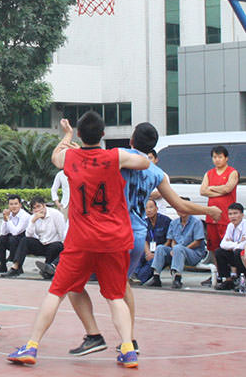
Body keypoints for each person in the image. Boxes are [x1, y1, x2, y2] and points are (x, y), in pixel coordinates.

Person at [44, 123, 222, 358]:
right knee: (122, 286)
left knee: (77, 286)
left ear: (130, 141)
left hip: (110, 232)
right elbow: (180, 205)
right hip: (138, 235)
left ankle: (97, 335)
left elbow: (91, 163)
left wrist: (78, 150)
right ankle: (129, 340)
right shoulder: (157, 173)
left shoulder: (117, 158)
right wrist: (208, 211)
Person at [7, 113, 150, 368]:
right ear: (103, 135)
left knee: (56, 292)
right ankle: (128, 349)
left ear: (81, 135)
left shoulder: (70, 157)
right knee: (116, 296)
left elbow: (55, 157)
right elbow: (144, 163)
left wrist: (67, 135)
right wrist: (126, 153)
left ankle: (32, 345)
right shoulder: (114, 157)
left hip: (82, 239)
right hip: (113, 239)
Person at [200, 146, 239, 286]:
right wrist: (219, 190)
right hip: (211, 217)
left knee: (229, 246)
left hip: (226, 217)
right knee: (214, 247)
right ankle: (219, 274)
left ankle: (233, 275)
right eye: (215, 157)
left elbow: (228, 188)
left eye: (220, 157)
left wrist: (211, 188)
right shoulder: (209, 173)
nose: (217, 160)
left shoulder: (232, 172)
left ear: (226, 158)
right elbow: (202, 191)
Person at [1, 196, 65, 277]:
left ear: (44, 206)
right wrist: (33, 221)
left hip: (54, 244)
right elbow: (28, 235)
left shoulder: (56, 214)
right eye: (34, 208)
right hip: (42, 243)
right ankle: (15, 268)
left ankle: (48, 269)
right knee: (25, 240)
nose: (37, 210)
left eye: (39, 206)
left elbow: (62, 234)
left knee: (55, 246)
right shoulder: (33, 217)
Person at [146, 202, 206, 289]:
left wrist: (181, 249)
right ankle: (156, 277)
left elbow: (198, 241)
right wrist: (174, 248)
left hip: (193, 253)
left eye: (184, 208)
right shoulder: (174, 223)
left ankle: (177, 278)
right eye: (179, 208)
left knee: (178, 248)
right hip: (177, 252)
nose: (182, 211)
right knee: (160, 248)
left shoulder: (196, 222)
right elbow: (172, 240)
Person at [131, 199, 171, 284]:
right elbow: (144, 239)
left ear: (156, 208)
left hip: (162, 252)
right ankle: (133, 275)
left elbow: (169, 240)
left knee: (152, 261)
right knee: (138, 253)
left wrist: (157, 253)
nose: (149, 210)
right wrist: (148, 252)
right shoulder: (144, 222)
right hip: (149, 250)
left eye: (151, 207)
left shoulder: (166, 221)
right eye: (146, 208)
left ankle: (140, 279)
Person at [0, 194, 31, 273]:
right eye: (11, 204)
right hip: (13, 237)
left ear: (20, 205)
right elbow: (3, 232)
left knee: (13, 239)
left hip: (23, 240)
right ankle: (2, 265)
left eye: (16, 204)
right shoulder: (9, 214)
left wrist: (8, 219)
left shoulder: (25, 216)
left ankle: (17, 266)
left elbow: (15, 232)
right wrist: (5, 219)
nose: (14, 206)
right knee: (1, 238)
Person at [214, 202, 246, 290]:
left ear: (242, 214)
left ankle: (242, 279)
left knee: (238, 252)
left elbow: (243, 246)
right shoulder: (230, 226)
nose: (232, 216)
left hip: (243, 256)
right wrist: (237, 243)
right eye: (230, 214)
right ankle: (228, 280)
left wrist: (231, 244)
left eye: (235, 213)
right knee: (219, 252)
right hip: (235, 253)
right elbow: (223, 244)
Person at [147, 149, 170, 215]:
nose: (148, 160)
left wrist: (144, 195)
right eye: (146, 158)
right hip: (144, 215)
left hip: (160, 214)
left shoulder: (162, 175)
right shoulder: (140, 176)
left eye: (150, 158)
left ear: (156, 159)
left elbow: (159, 194)